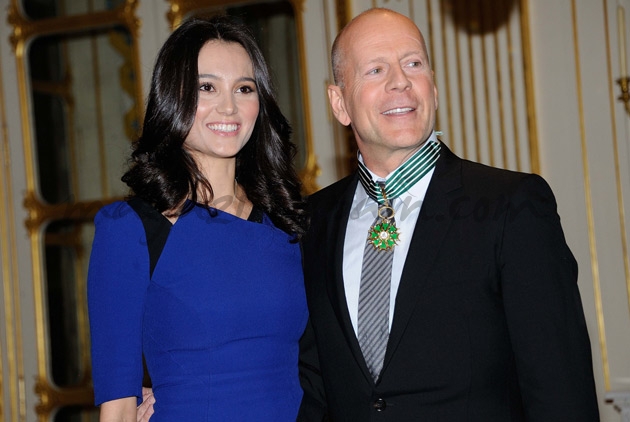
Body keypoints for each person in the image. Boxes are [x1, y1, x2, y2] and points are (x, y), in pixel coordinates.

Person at [296, 7, 600, 421]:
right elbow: (314, 387)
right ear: (339, 103)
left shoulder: (512, 205)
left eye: (413, 64)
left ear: (434, 89)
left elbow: (561, 390)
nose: (400, 81)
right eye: (375, 70)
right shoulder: (312, 221)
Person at [87, 15, 308, 421]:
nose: (229, 106)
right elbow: (117, 409)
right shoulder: (130, 230)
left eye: (244, 88)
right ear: (173, 96)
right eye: (206, 87)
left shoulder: (287, 224)